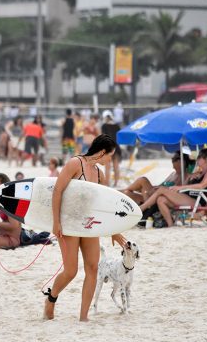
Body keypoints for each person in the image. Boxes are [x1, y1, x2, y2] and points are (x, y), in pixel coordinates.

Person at [43, 134, 127, 322]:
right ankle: (51, 298)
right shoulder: (75, 164)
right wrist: (56, 222)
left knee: (92, 268)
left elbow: (105, 205)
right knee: (71, 271)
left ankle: (83, 316)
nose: (110, 160)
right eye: (110, 156)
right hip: (69, 224)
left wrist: (114, 230)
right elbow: (57, 190)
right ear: (103, 152)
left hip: (89, 225)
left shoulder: (100, 174)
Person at [138, 148, 207, 227]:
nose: (197, 159)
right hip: (187, 198)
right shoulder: (199, 173)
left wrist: (180, 188)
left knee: (162, 190)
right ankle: (170, 225)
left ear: (206, 159)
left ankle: (142, 208)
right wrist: (190, 178)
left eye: (199, 157)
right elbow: (186, 184)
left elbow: (201, 186)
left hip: (196, 201)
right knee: (161, 199)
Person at [122, 152, 193, 205]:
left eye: (174, 159)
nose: (172, 161)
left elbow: (179, 191)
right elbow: (161, 184)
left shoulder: (186, 175)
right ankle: (120, 193)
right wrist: (156, 187)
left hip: (163, 197)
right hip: (155, 193)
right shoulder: (173, 174)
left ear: (181, 161)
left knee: (143, 180)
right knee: (128, 194)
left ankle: (119, 192)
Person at [100, 110, 122, 187]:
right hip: (116, 147)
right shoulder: (117, 126)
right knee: (116, 166)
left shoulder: (104, 126)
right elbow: (119, 137)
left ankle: (107, 183)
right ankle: (116, 183)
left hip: (108, 147)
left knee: (107, 167)